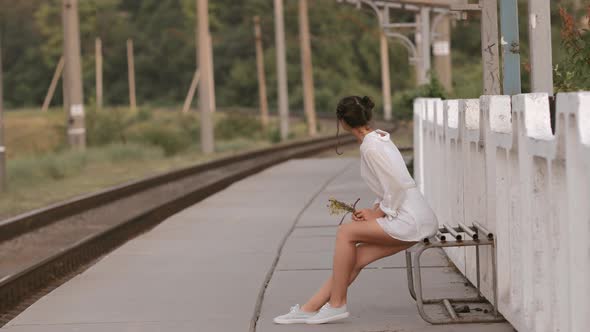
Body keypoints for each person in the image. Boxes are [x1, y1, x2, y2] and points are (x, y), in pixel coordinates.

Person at [273, 95, 439, 325]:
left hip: (409, 219)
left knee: (345, 233)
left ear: (342, 122)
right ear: (366, 116)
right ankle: (309, 308)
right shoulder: (378, 139)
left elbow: (397, 185)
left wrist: (379, 213)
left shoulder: (371, 147)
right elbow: (391, 185)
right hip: (416, 215)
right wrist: (374, 210)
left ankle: (337, 304)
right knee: (355, 258)